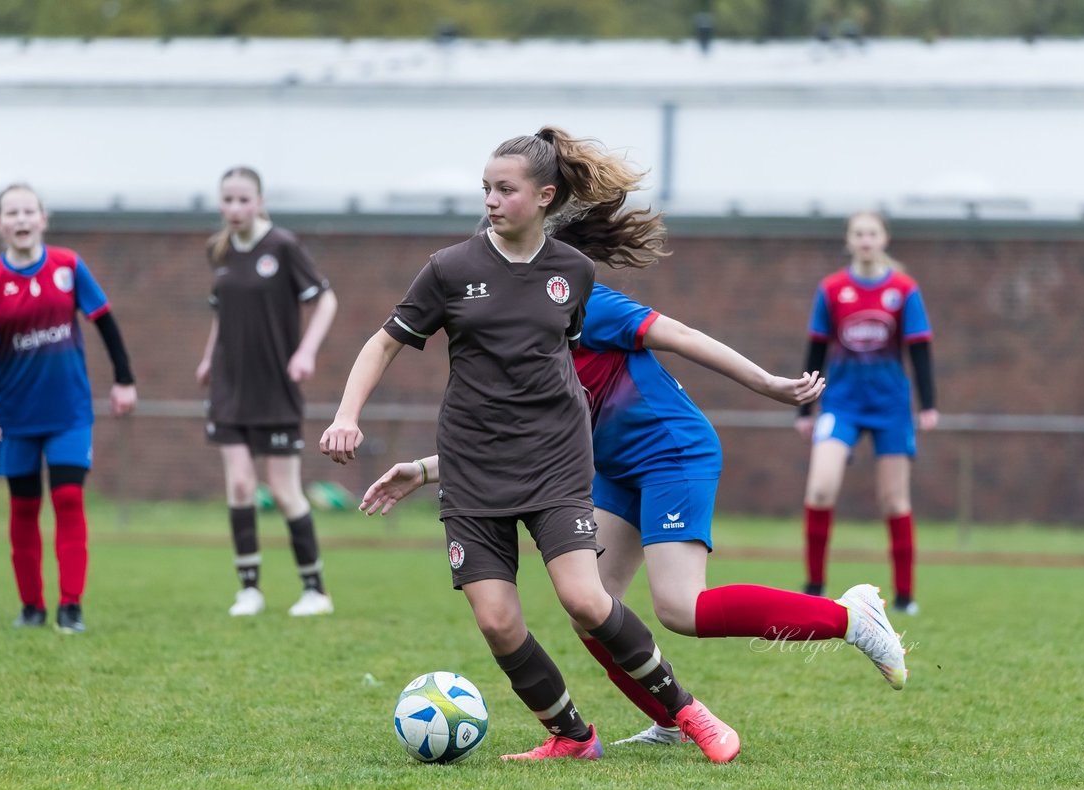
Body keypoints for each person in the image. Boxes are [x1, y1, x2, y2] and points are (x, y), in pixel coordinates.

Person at [321, 127, 740, 763]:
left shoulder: (572, 273)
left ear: (544, 197)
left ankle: (687, 712)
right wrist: (348, 414)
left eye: (504, 189)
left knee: (585, 599)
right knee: (497, 621)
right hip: (472, 469)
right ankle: (573, 736)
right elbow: (383, 343)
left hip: (555, 464)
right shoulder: (450, 270)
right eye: (485, 188)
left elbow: (557, 365)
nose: (490, 200)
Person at [361, 278, 910, 748]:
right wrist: (427, 469)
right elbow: (511, 442)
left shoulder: (586, 303)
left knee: (680, 608)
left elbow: (686, 337)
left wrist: (768, 384)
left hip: (672, 451)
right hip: (610, 468)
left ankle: (850, 618)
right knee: (590, 607)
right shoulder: (515, 336)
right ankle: (670, 719)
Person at [0, 183, 138, 634]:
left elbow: (106, 323)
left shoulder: (69, 267)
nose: (20, 220)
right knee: (23, 507)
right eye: (11, 213)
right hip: (15, 415)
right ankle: (31, 607)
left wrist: (124, 380)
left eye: (28, 211)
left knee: (68, 498)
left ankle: (70, 606)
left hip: (69, 410)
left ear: (43, 218)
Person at [196, 167, 339, 618]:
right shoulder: (219, 251)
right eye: (228, 200)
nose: (235, 208)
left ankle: (316, 591)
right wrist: (207, 357)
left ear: (259, 201)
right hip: (229, 386)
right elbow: (221, 314)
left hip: (275, 388)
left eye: (243, 199)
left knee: (283, 491)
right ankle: (249, 590)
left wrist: (306, 352)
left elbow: (326, 299)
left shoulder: (282, 246)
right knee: (239, 484)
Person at [796, 211, 938, 615]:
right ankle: (814, 587)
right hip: (841, 404)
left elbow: (921, 350)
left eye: (872, 233)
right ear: (849, 240)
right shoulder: (832, 289)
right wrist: (805, 408)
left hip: (891, 407)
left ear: (884, 239)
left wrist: (928, 405)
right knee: (821, 488)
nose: (865, 239)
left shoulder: (904, 291)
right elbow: (817, 349)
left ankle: (905, 596)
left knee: (894, 500)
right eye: (858, 233)